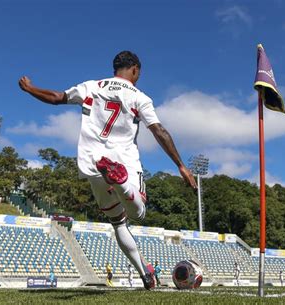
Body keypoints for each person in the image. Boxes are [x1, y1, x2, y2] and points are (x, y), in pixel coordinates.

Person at [19, 50, 197, 290]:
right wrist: (181, 165)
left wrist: (31, 88)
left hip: (93, 163)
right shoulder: (139, 96)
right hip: (123, 160)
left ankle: (145, 274)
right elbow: (159, 130)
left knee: (118, 223)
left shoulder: (91, 86)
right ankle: (122, 182)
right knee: (138, 213)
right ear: (134, 69)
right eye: (139, 73)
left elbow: (56, 97)